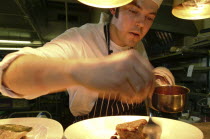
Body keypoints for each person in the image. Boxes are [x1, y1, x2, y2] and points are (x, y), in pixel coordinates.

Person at [0, 0, 174, 122]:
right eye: (133, 11)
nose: (141, 24)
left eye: (149, 17)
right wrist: (84, 72)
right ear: (114, 9)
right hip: (87, 137)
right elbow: (10, 76)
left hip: (130, 137)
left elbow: (147, 76)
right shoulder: (80, 38)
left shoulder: (138, 46)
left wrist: (158, 78)